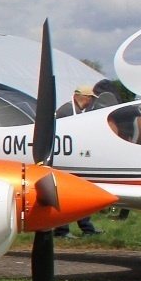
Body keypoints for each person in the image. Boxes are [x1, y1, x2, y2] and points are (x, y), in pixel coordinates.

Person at [54, 85, 102, 236]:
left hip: (72, 157)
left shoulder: (73, 110)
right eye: (91, 98)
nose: (91, 102)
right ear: (86, 98)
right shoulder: (68, 111)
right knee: (67, 194)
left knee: (79, 192)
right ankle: (62, 230)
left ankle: (85, 228)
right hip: (66, 160)